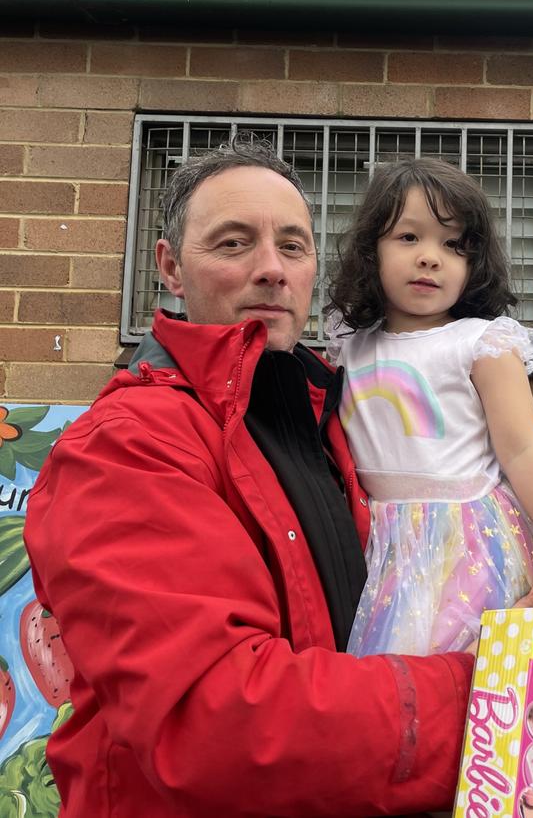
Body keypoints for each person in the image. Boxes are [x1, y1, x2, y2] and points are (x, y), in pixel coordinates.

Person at [23, 143, 475, 818]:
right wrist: (486, 695)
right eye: (234, 243)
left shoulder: (331, 425)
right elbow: (219, 720)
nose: (272, 269)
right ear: (171, 267)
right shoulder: (126, 445)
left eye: (293, 246)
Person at [326, 157, 533, 657]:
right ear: (371, 251)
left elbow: (524, 451)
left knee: (472, 677)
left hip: (470, 544)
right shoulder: (350, 345)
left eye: (453, 245)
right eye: (408, 237)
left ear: (474, 263)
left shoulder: (481, 343)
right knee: (391, 688)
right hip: (378, 544)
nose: (430, 257)